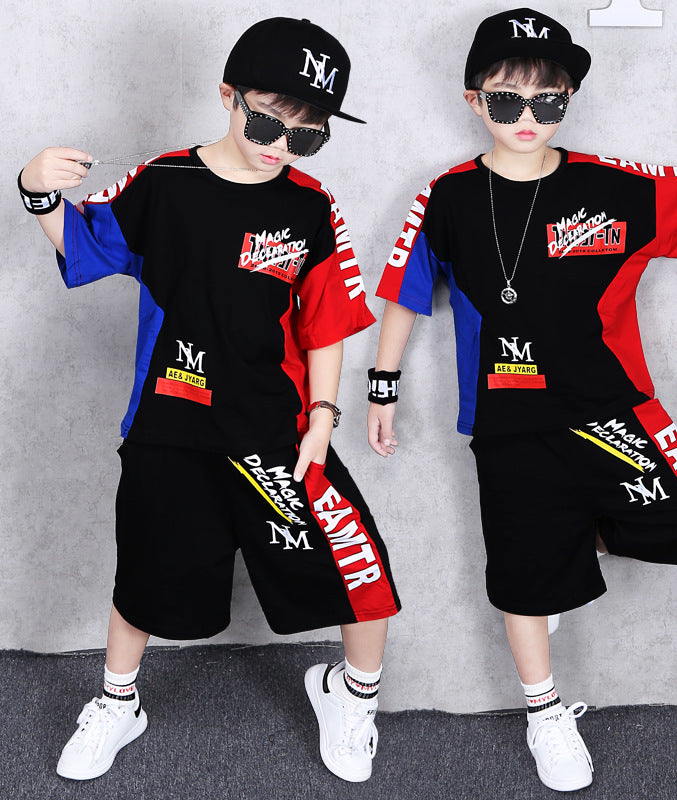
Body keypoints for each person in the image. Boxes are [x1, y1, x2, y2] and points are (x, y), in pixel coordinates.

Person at [367, 7, 677, 793]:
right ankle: (545, 713)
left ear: (567, 99)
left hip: (607, 405)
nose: (527, 116)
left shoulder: (610, 185)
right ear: (474, 100)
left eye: (548, 99)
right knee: (522, 576)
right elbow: (405, 291)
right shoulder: (447, 196)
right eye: (507, 99)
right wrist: (382, 386)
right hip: (505, 416)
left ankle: (559, 555)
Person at [19, 16, 400, 785]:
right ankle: (118, 702)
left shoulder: (311, 207)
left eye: (308, 134)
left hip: (277, 428)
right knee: (144, 577)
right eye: (268, 122)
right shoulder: (163, 182)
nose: (282, 145)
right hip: (170, 425)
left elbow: (327, 323)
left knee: (359, 573)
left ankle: (352, 695)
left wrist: (322, 420)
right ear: (229, 96)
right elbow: (85, 244)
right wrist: (35, 191)